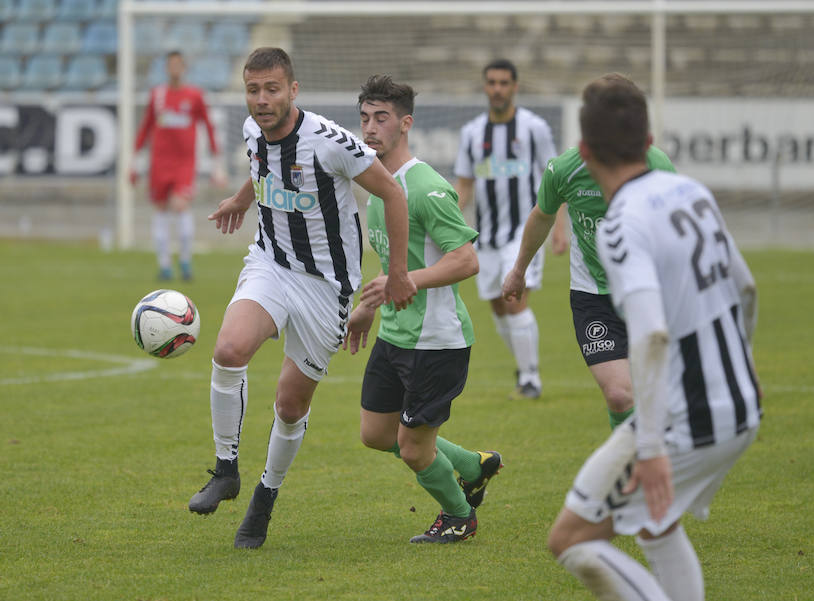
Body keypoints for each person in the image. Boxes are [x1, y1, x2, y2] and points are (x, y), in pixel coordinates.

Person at [189, 47, 417, 550]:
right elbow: (260, 165)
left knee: (290, 405)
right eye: (253, 90)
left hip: (325, 287)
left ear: (293, 90)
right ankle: (226, 469)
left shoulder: (331, 143)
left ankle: (264, 499)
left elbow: (393, 195)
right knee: (229, 351)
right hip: (270, 263)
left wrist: (397, 272)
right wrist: (241, 200)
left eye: (272, 89)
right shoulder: (252, 131)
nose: (262, 100)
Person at [547, 76, 762, 601]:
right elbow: (747, 287)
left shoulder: (621, 223)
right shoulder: (693, 192)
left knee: (570, 539)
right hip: (741, 404)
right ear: (648, 142)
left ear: (584, 150)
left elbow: (649, 333)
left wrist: (649, 447)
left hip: (682, 418)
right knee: (656, 525)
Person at [345, 74, 503, 543]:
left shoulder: (427, 187)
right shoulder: (380, 186)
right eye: (365, 118)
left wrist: (406, 281)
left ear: (405, 124)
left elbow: (466, 259)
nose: (370, 128)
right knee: (377, 434)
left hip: (436, 340)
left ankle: (459, 516)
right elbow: (393, 266)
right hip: (396, 333)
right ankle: (473, 466)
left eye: (382, 118)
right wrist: (370, 308)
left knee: (414, 449)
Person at [502, 74, 676, 430]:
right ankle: (633, 467)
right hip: (593, 294)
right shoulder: (565, 169)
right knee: (619, 395)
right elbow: (541, 215)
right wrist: (519, 269)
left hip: (649, 292)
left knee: (659, 396)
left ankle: (648, 464)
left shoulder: (657, 165)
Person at [453, 59, 559, 400]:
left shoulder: (534, 129)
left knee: (515, 301)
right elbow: (465, 185)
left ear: (515, 86)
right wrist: (450, 224)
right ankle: (523, 365)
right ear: (485, 87)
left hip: (522, 234)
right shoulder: (472, 133)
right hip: (486, 236)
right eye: (492, 82)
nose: (497, 88)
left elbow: (553, 177)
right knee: (498, 307)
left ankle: (531, 378)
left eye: (503, 83)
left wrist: (560, 228)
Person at [131, 50, 224, 281]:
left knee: (180, 206)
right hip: (159, 163)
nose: (174, 69)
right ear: (166, 68)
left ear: (183, 68)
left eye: (178, 65)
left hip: (184, 163)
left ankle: (185, 262)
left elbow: (209, 128)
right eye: (170, 65)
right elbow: (145, 128)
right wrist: (134, 162)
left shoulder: (194, 95)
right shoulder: (158, 95)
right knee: (161, 209)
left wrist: (216, 164)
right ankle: (164, 265)